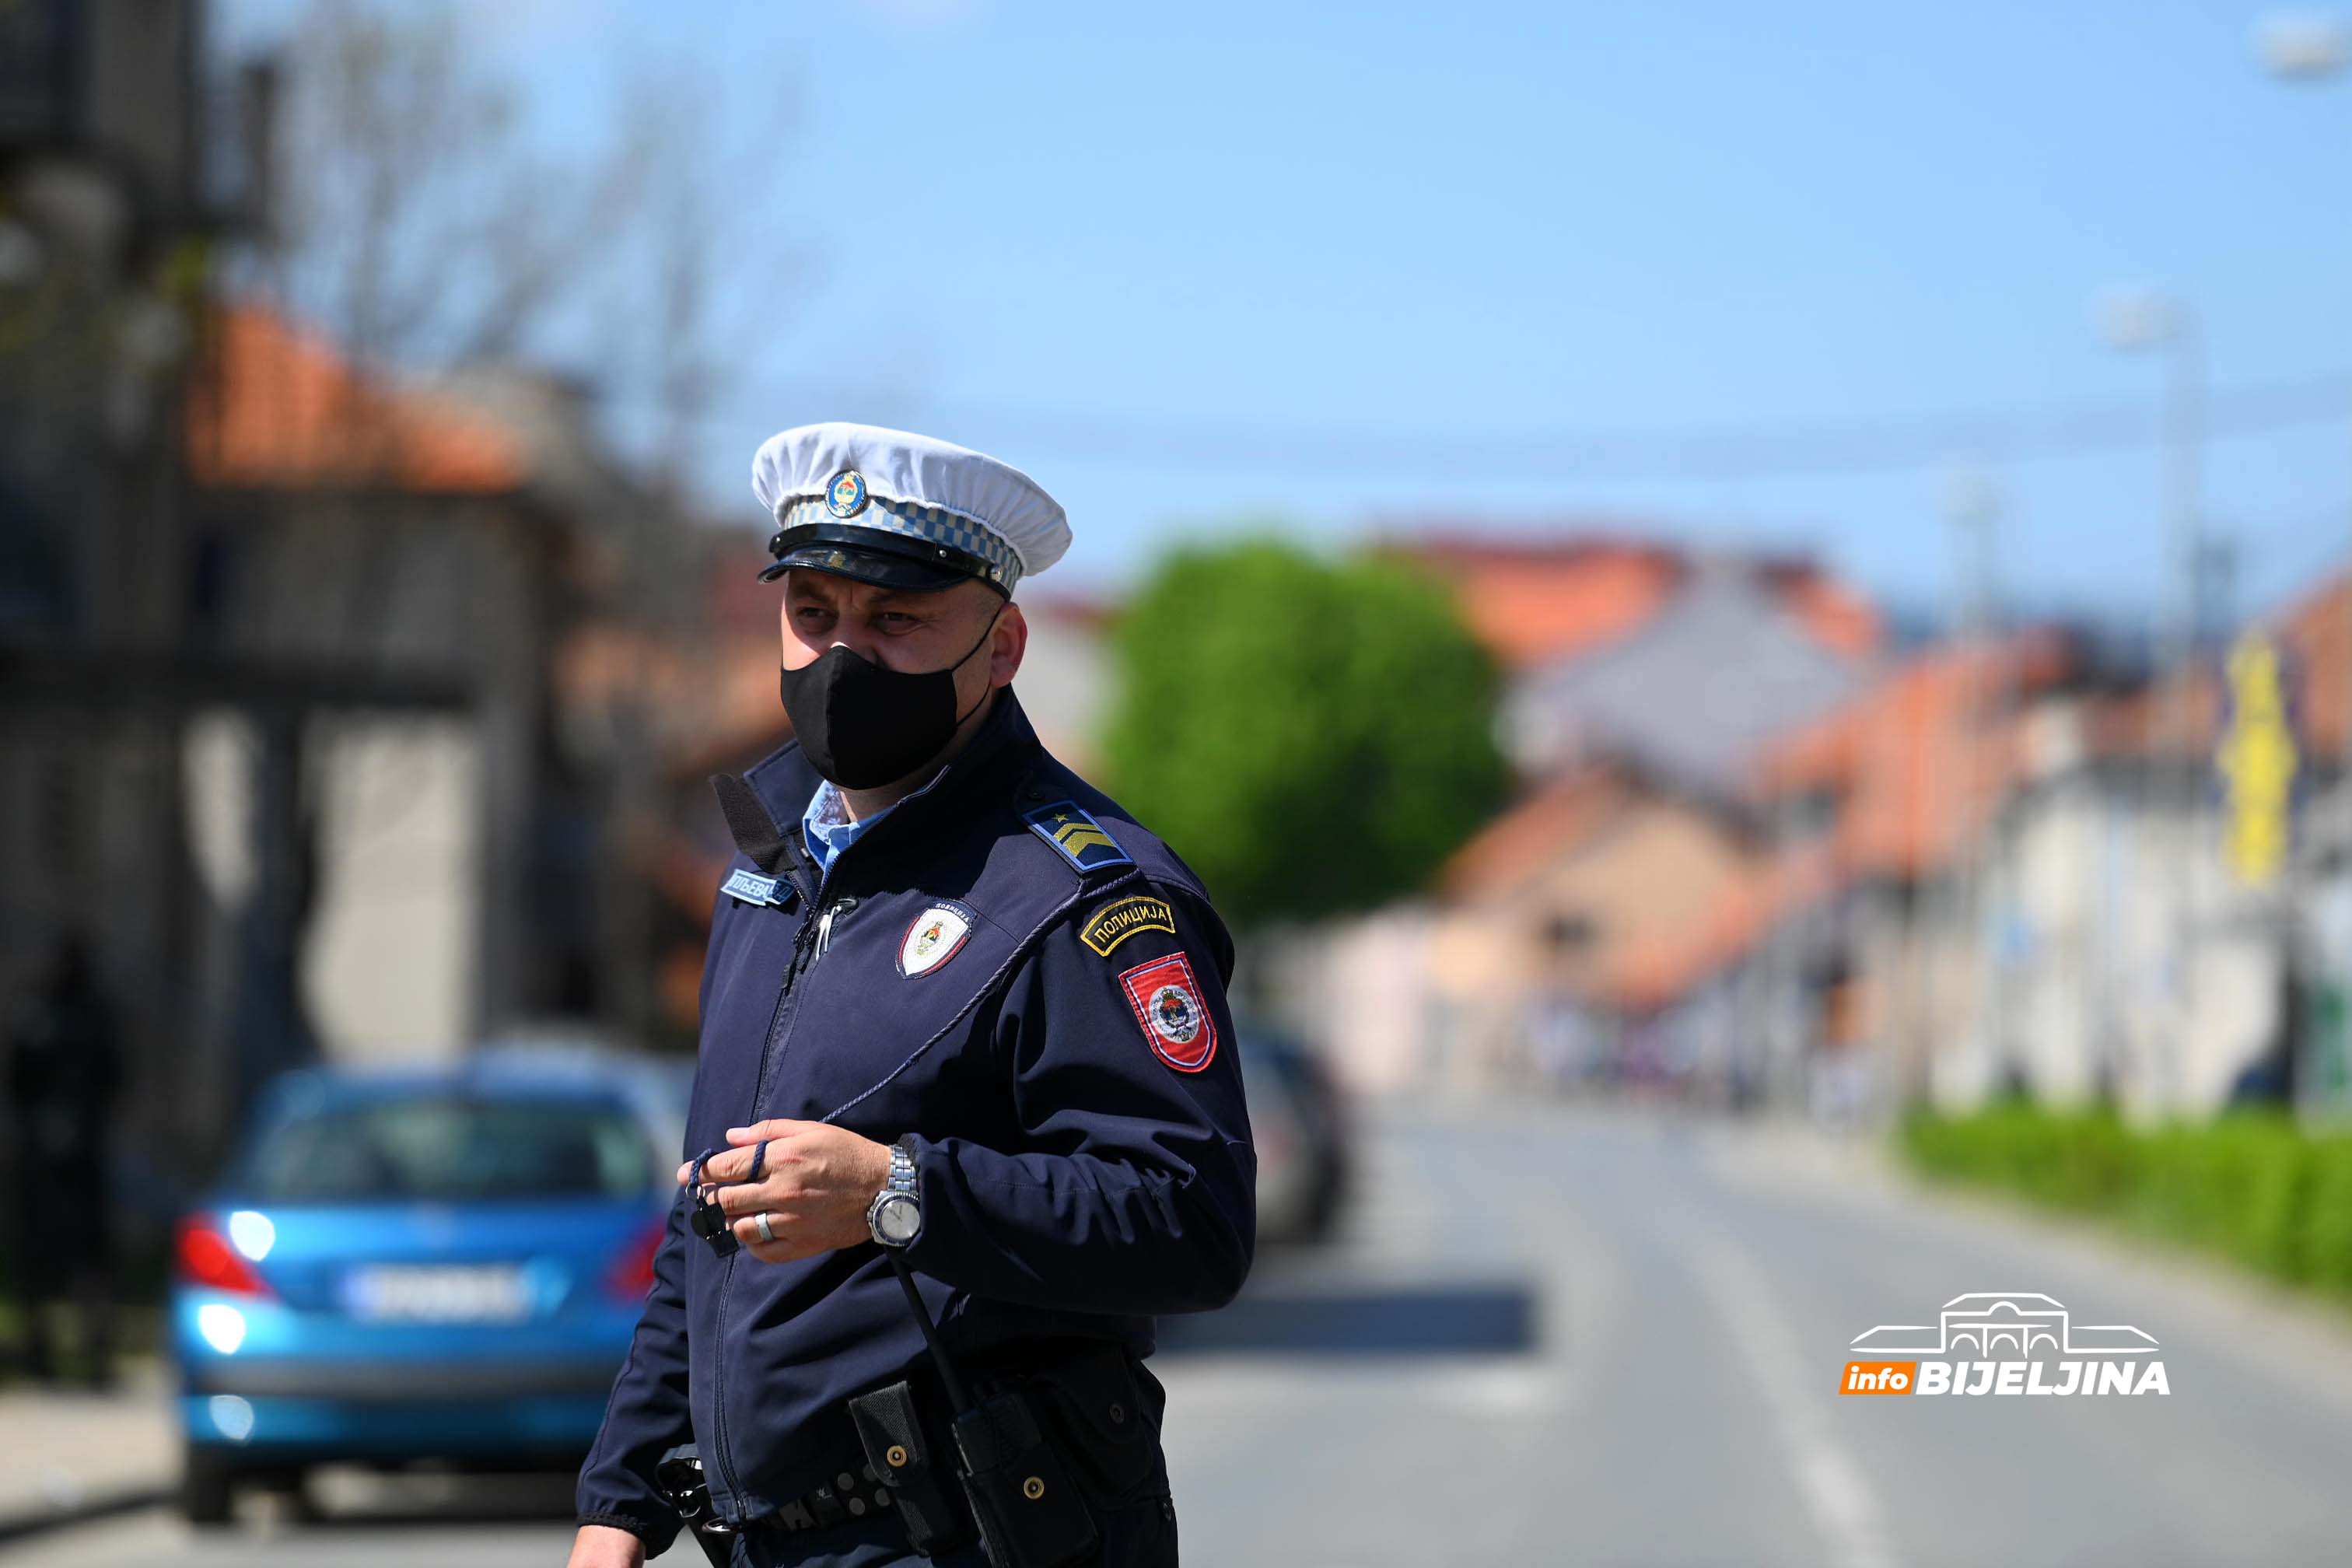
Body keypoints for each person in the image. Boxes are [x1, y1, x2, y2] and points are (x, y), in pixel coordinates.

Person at [570, 424, 1256, 1568]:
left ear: (1002, 647)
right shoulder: (769, 877)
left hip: (980, 1536)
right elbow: (709, 1224)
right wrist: (618, 1503)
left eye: (896, 621)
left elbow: (1191, 1221)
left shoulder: (1084, 896)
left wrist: (899, 1193)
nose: (845, 658)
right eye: (814, 616)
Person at [5, 935, 123, 1387]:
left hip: (85, 1161)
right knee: (36, 1262)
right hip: (40, 1163)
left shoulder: (96, 1018)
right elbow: (17, 1085)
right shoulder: (35, 1019)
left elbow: (115, 1078)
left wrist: (83, 1121)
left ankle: (96, 1358)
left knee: (91, 1263)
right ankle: (38, 1354)